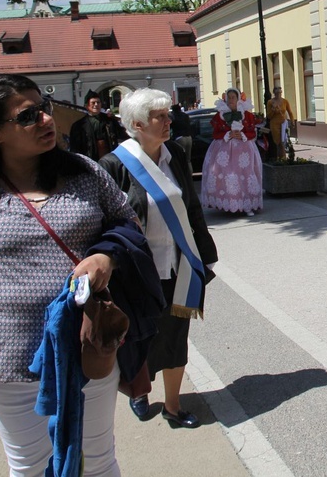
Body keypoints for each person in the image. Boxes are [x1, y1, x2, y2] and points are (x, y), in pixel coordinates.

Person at [0, 74, 136, 475]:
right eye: (27, 116)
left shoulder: (84, 173)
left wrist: (106, 256)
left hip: (87, 346)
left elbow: (128, 226)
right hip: (8, 362)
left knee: (96, 459)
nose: (45, 119)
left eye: (44, 108)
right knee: (30, 465)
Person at [99, 88, 218, 428]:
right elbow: (104, 227)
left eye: (169, 114)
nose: (169, 121)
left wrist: (205, 257)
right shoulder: (113, 166)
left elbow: (192, 209)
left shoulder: (176, 155)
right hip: (135, 277)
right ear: (136, 124)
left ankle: (173, 406)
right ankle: (139, 392)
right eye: (160, 117)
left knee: (175, 337)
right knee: (138, 339)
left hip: (177, 269)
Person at [201, 88, 263, 216]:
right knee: (226, 175)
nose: (231, 100)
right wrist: (227, 134)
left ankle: (247, 205)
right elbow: (215, 133)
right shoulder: (220, 116)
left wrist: (243, 135)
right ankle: (229, 203)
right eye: (228, 97)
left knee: (246, 174)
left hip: (244, 151)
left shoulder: (247, 114)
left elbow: (252, 132)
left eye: (233, 97)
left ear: (238, 98)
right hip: (224, 150)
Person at [69, 89, 127, 161]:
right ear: (87, 106)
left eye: (98, 102)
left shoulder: (109, 121)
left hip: (109, 158)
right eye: (93, 103)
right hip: (90, 160)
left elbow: (122, 134)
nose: (96, 105)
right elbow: (75, 148)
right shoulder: (79, 126)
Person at [265, 86, 295, 160]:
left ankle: (281, 158)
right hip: (274, 124)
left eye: (279, 92)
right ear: (274, 93)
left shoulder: (285, 101)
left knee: (283, 142)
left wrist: (292, 121)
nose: (278, 93)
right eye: (277, 92)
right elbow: (269, 116)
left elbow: (290, 112)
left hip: (283, 123)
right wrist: (273, 109)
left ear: (281, 92)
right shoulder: (270, 102)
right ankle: (282, 159)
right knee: (279, 142)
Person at [169, 103, 194, 175]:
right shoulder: (185, 116)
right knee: (188, 159)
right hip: (189, 137)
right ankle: (189, 175)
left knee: (180, 159)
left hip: (179, 138)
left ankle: (182, 175)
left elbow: (171, 128)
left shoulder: (173, 117)